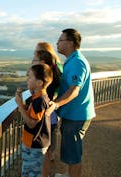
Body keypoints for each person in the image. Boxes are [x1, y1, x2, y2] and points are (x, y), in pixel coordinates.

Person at [47, 28, 96, 177]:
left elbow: (74, 90)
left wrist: (56, 104)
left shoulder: (77, 63)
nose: (57, 43)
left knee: (73, 154)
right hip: (73, 114)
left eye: (60, 40)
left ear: (70, 43)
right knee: (70, 150)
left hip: (76, 116)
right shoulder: (72, 61)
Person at [15, 64, 53, 177]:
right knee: (27, 172)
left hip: (35, 146)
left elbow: (32, 123)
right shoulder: (37, 97)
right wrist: (21, 101)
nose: (27, 79)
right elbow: (31, 114)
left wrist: (20, 106)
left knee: (33, 173)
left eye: (30, 77)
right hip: (32, 144)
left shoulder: (40, 101)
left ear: (39, 83)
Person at [32, 49, 61, 177]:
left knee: (43, 157)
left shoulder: (44, 88)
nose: (32, 62)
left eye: (34, 60)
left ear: (42, 63)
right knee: (47, 156)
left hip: (47, 123)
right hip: (53, 121)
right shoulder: (52, 78)